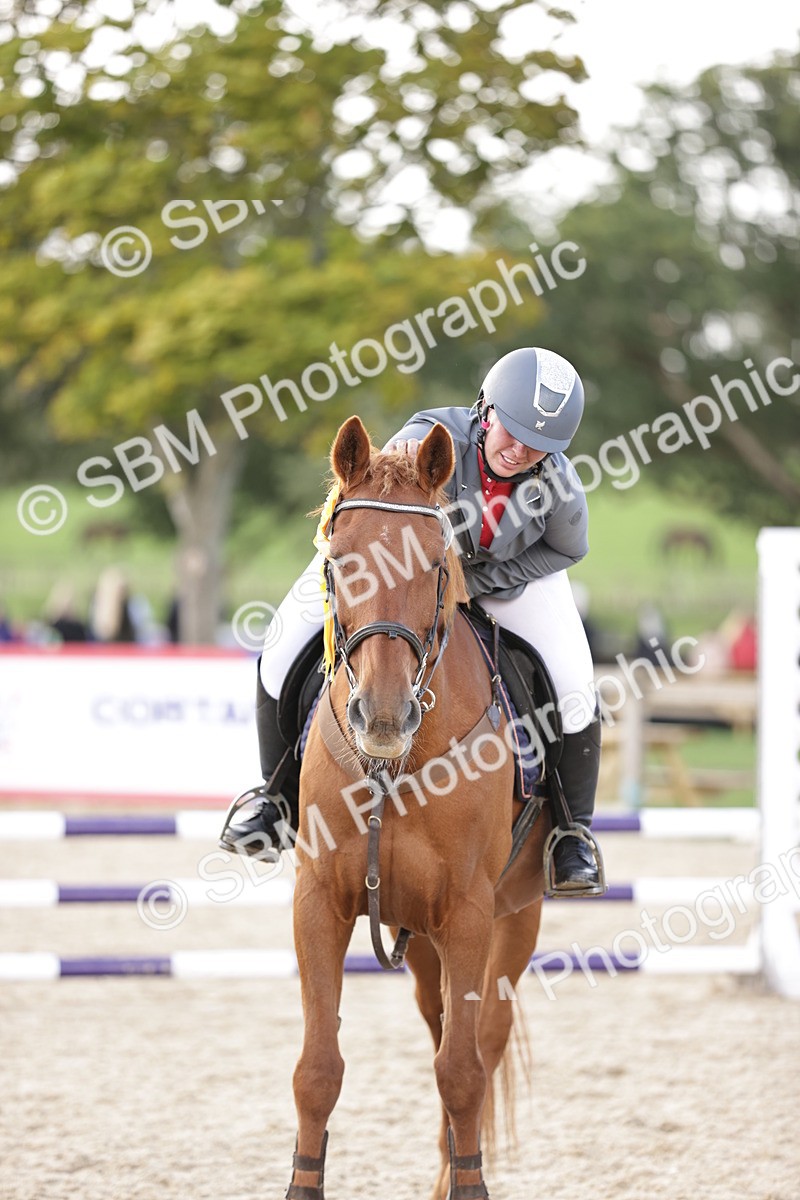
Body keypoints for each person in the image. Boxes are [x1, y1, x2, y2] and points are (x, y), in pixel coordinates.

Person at [219, 347, 603, 892]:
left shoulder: (560, 487)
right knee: (280, 645)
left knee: (576, 683)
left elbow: (568, 550)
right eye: (513, 431)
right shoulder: (428, 436)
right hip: (394, 567)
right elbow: (380, 502)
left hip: (508, 580)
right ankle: (273, 800)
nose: (520, 450)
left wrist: (486, 581)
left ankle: (572, 833)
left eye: (538, 444)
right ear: (486, 410)